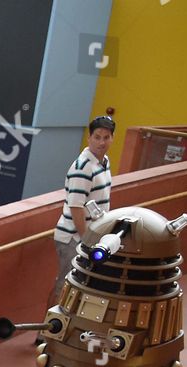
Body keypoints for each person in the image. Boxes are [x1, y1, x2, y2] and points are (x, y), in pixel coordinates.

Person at [51, 112, 114, 306]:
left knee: (78, 288)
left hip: (88, 237)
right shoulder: (83, 167)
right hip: (74, 238)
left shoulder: (104, 163)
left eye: (106, 137)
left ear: (112, 138)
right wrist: (86, 240)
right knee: (65, 286)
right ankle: (45, 334)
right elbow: (76, 207)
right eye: (97, 137)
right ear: (89, 138)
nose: (101, 142)